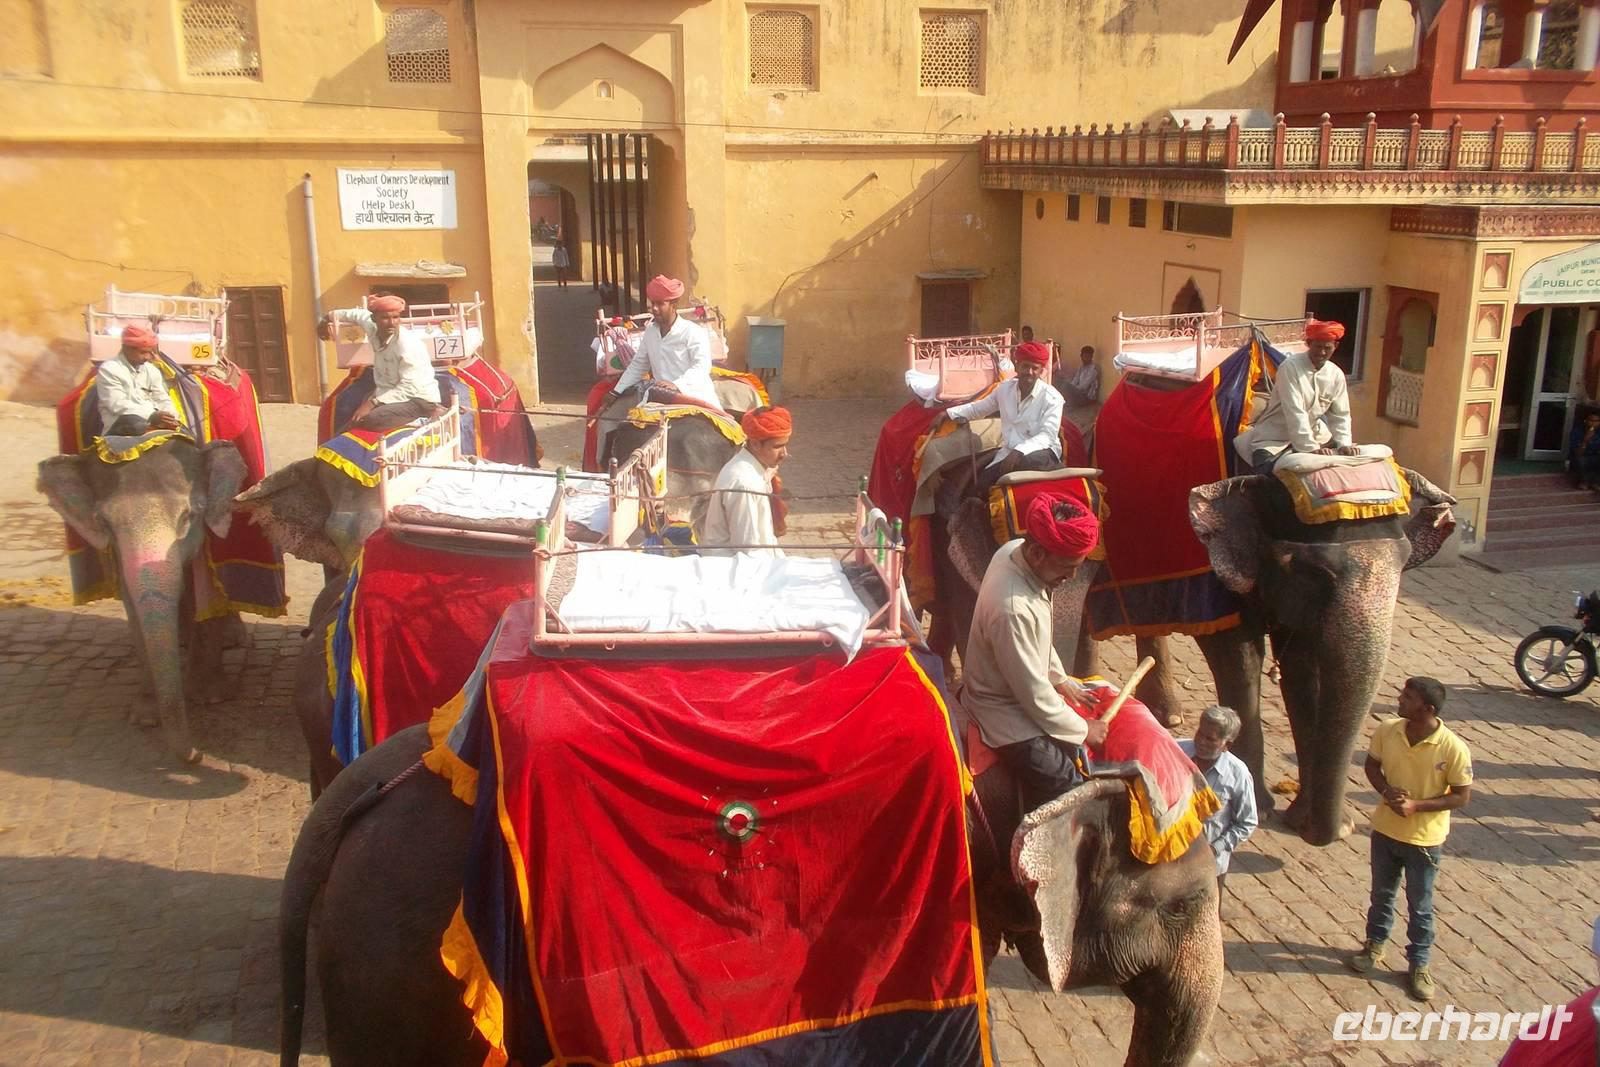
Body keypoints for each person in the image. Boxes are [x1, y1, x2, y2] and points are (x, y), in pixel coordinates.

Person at [960, 493, 1109, 810]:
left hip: (1021, 688)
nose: (1071, 577)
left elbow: (1038, 635)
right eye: (1067, 567)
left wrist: (1060, 678)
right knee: (1066, 783)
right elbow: (1034, 696)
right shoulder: (1012, 608)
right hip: (1003, 711)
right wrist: (1085, 729)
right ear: (1038, 553)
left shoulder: (1014, 551)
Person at [1350, 677, 1473, 1002]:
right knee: (1381, 895)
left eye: (1408, 697)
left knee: (1420, 905)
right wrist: (1385, 791)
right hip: (1385, 830)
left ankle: (1419, 964)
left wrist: (1417, 806)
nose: (1400, 700)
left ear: (1427, 709)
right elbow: (1372, 766)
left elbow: (1461, 796)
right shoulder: (1388, 730)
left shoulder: (1453, 748)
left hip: (1424, 841)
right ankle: (1374, 945)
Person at [1236, 318, 1355, 476]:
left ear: (1336, 346)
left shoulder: (1336, 374)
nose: (1322, 352)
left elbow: (1340, 415)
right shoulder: (1290, 367)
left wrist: (1344, 443)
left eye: (1327, 348)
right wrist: (1310, 449)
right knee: (1270, 481)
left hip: (1318, 437)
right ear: (1309, 343)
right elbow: (1295, 412)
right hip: (1274, 441)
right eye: (1318, 347)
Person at [944, 340, 1065, 495]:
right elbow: (978, 408)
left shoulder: (1053, 398)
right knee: (980, 488)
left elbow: (1047, 436)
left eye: (1034, 368)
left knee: (1029, 462)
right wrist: (948, 414)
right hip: (1009, 452)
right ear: (1017, 366)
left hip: (1041, 453)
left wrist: (1019, 451)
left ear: (1041, 371)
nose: (1029, 372)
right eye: (1025, 366)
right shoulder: (1004, 389)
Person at [319, 294, 442, 432]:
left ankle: (425, 419)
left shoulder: (407, 344)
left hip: (417, 400)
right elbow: (357, 314)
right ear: (374, 319)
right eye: (385, 318)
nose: (391, 323)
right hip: (389, 394)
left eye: (396, 317)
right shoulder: (373, 328)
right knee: (350, 411)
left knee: (372, 419)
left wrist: (372, 404)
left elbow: (409, 388)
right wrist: (327, 317)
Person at [1178, 705, 1258, 911]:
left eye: (1210, 739)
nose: (1200, 742)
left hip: (1210, 865)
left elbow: (1246, 823)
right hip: (1170, 858)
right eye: (1199, 733)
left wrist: (1214, 849)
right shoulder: (1177, 751)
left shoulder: (1238, 774)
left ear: (1226, 745)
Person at [607, 274, 722, 412]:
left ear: (674, 305)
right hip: (662, 399)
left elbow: (701, 367)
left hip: (695, 396)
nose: (654, 308)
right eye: (653, 303)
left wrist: (676, 384)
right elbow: (638, 365)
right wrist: (616, 391)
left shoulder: (693, 332)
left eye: (660, 304)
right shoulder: (650, 332)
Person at [699, 406, 791, 556]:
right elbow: (748, 550)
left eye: (785, 445)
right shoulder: (745, 483)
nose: (784, 453)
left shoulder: (757, 469)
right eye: (777, 447)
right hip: (734, 565)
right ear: (755, 444)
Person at [97, 325, 182, 436]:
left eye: (150, 353)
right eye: (143, 352)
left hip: (154, 423)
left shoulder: (152, 370)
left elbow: (162, 398)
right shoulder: (110, 369)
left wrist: (171, 417)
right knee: (133, 423)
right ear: (126, 348)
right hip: (121, 429)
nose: (147, 357)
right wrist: (152, 415)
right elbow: (117, 404)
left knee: (186, 433)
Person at [551, 224, 571, 289]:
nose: (559, 245)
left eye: (560, 244)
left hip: (563, 264)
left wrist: (567, 263)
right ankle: (559, 285)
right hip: (558, 264)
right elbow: (553, 257)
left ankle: (565, 285)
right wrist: (554, 263)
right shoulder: (556, 250)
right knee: (559, 275)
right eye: (558, 244)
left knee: (565, 276)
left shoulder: (564, 250)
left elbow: (566, 256)